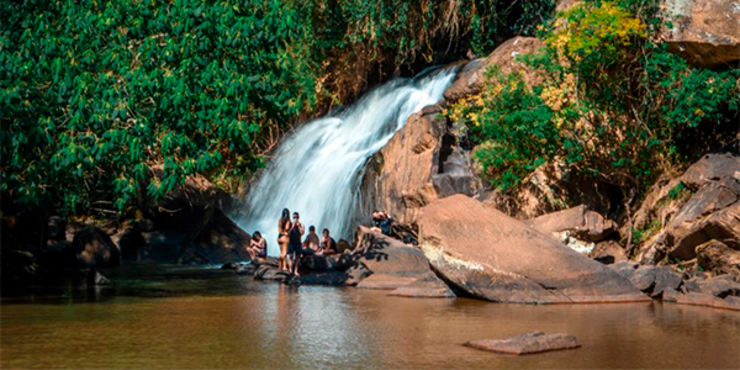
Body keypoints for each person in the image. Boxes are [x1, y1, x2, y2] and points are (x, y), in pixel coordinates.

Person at [288, 212, 305, 276]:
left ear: (298, 217)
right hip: (291, 242)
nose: (295, 219)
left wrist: (298, 226)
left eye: (296, 217)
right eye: (294, 217)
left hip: (298, 242)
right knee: (291, 256)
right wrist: (292, 227)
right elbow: (288, 233)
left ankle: (295, 271)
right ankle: (290, 270)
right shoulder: (291, 224)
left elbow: (302, 233)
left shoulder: (301, 225)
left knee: (297, 258)